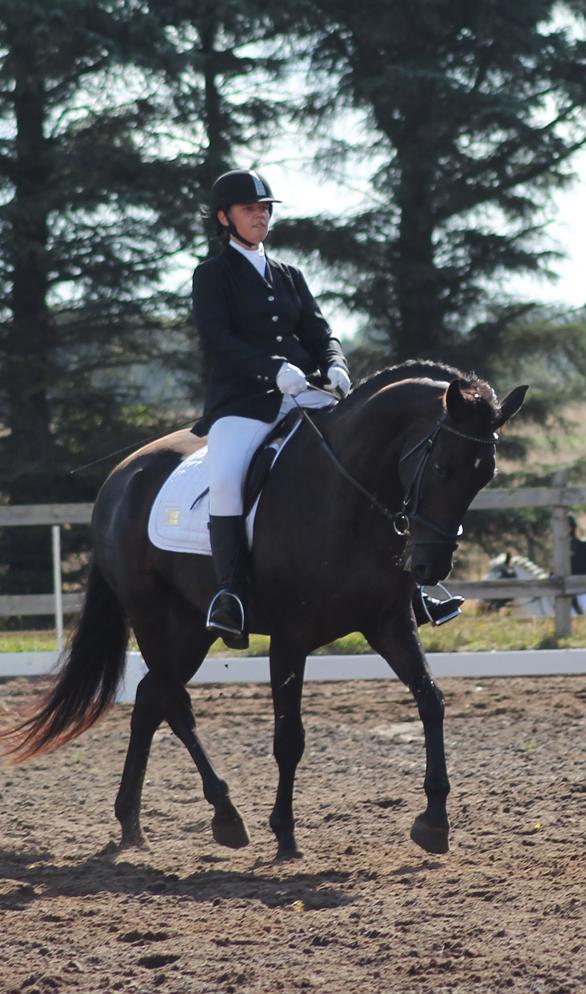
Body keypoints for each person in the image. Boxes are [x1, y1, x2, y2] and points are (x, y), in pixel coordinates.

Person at [192, 169, 460, 646]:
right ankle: (230, 594)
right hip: (244, 403)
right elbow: (218, 341)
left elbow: (320, 331)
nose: (260, 216)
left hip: (305, 393)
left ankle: (408, 590)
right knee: (227, 481)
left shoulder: (288, 275)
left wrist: (335, 364)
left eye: (265, 209)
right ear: (224, 218)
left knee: (369, 461)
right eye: (250, 210)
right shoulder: (212, 276)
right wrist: (272, 367)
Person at [569, 515, 586, 615]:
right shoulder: (557, 547)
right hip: (562, 587)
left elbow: (585, 568)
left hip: (582, 586)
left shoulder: (583, 546)